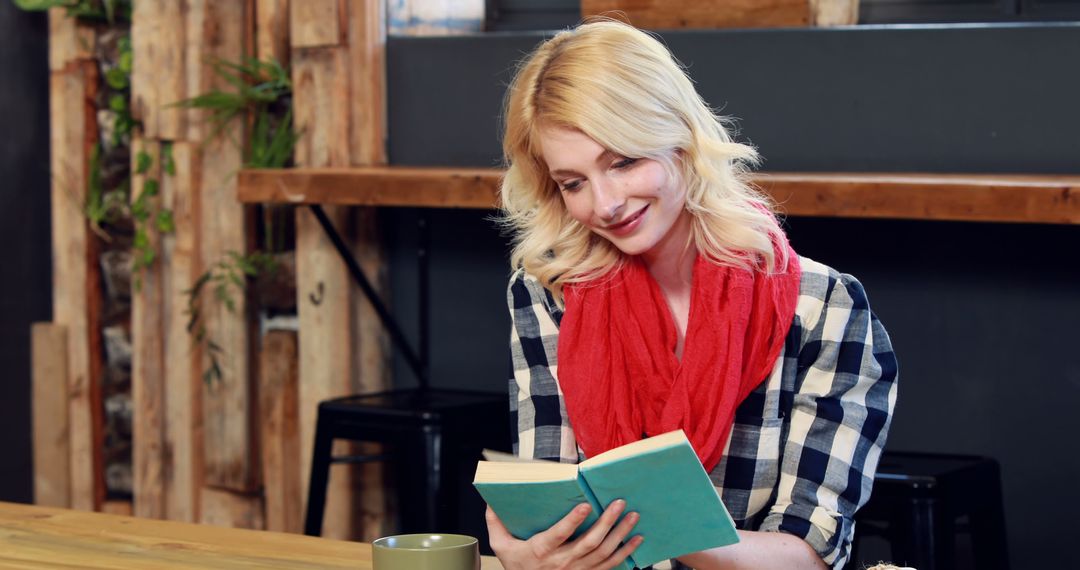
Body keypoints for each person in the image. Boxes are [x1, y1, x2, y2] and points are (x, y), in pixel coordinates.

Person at [488, 19, 898, 570]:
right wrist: (531, 549)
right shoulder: (548, 293)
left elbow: (809, 553)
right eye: (573, 182)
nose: (605, 204)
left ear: (680, 138)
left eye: (624, 161)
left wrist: (643, 525)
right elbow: (552, 498)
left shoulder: (823, 307)